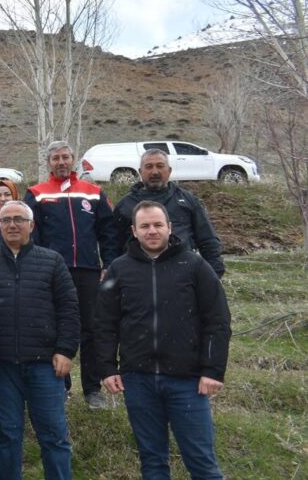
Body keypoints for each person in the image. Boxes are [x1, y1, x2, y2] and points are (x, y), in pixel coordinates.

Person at [96, 200, 231, 480]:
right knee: (152, 461)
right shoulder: (120, 269)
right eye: (145, 226)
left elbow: (218, 321)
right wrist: (108, 368)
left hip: (188, 381)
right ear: (134, 231)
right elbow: (105, 323)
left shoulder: (194, 265)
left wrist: (212, 370)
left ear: (170, 227)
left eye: (158, 224)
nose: (152, 231)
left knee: (202, 462)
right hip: (138, 379)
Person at [0, 201, 80, 480]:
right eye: (6, 220)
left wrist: (66, 350)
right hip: (1, 366)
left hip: (46, 365)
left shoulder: (52, 260)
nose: (12, 225)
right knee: (6, 436)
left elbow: (69, 309)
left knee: (54, 435)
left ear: (31, 225)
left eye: (19, 219)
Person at [25, 140, 119, 408]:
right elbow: (32, 235)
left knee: (91, 328)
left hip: (89, 271)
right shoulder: (37, 193)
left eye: (65, 157)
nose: (61, 162)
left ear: (74, 159)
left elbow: (108, 232)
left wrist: (108, 263)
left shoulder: (93, 192)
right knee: (55, 327)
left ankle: (92, 389)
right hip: (54, 271)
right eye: (56, 158)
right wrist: (38, 267)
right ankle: (61, 386)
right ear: (48, 163)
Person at [112, 148, 225, 277]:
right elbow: (113, 246)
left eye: (160, 166)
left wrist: (215, 275)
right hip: (137, 276)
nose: (155, 172)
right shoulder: (124, 205)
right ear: (140, 172)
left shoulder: (187, 200)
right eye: (149, 167)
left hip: (183, 273)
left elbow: (207, 239)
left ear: (169, 170)